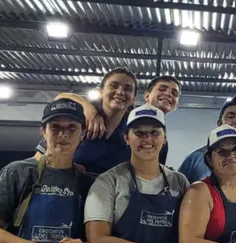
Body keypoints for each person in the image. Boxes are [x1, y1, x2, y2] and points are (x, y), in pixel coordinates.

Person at [0, 100, 95, 243]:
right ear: (43, 131)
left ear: (82, 134)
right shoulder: (18, 172)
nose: (63, 134)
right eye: (55, 127)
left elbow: (97, 235)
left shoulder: (87, 182)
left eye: (72, 128)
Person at [84, 105, 188, 243]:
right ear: (126, 138)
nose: (147, 139)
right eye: (139, 133)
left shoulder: (179, 182)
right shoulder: (108, 181)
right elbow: (98, 241)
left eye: (155, 132)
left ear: (164, 138)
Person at [36, 73, 182, 174]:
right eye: (162, 89)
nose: (168, 94)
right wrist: (88, 108)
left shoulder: (157, 140)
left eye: (174, 93)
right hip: (70, 193)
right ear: (146, 96)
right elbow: (62, 97)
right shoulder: (86, 119)